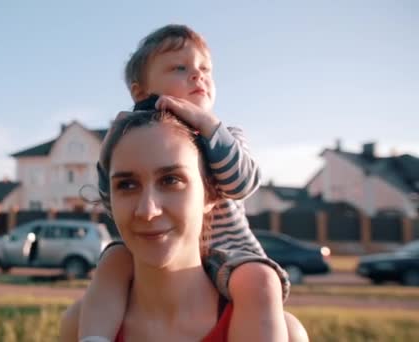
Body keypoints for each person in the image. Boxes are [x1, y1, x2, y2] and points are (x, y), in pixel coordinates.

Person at [68, 24, 307, 341]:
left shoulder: (224, 138)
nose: (198, 76)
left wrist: (209, 127)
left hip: (231, 256)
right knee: (112, 260)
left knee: (262, 281)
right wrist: (108, 152)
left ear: (208, 190)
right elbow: (107, 196)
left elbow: (243, 183)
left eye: (205, 69)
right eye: (180, 68)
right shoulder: (129, 140)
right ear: (140, 93)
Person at [61, 111, 288, 341]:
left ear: (210, 194)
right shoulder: (81, 327)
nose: (148, 211)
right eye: (127, 185)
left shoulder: (275, 331)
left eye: (171, 180)